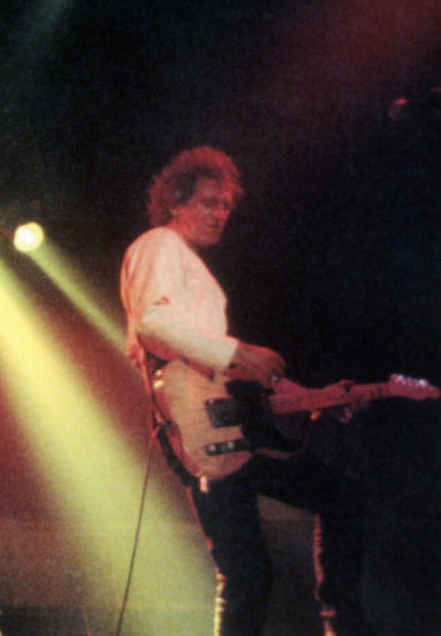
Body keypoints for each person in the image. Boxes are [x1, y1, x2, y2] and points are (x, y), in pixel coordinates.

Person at [119, 147, 369, 635]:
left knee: (333, 505)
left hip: (224, 420)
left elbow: (215, 368)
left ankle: (344, 624)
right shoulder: (158, 245)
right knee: (248, 573)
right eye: (209, 202)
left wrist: (312, 400)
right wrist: (237, 351)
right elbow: (153, 321)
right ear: (174, 201)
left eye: (227, 206)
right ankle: (344, 622)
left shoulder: (189, 265)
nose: (221, 214)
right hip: (199, 428)